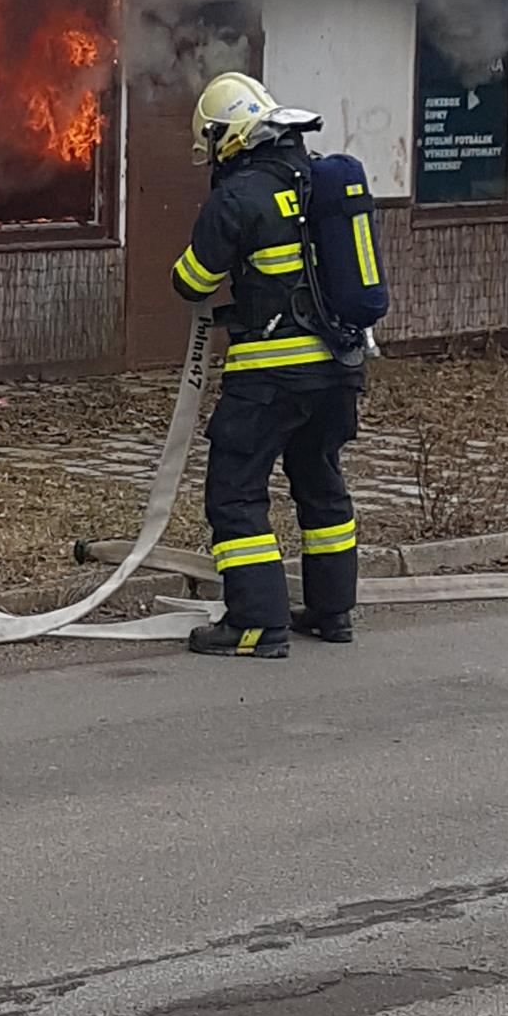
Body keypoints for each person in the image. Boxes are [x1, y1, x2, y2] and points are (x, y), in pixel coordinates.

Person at [171, 72, 366, 659]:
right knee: (320, 482)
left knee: (235, 492)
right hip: (338, 368)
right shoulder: (320, 180)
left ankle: (256, 624)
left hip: (269, 376)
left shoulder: (238, 197)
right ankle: (332, 613)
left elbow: (192, 281)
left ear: (226, 137)